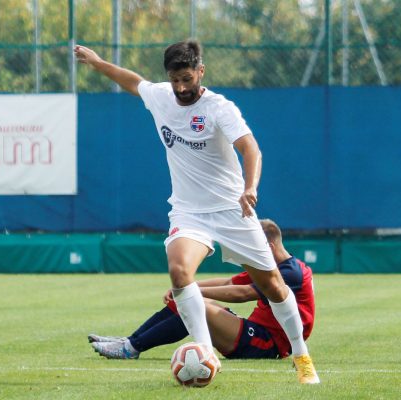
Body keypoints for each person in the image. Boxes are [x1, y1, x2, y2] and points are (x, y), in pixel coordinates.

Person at [75, 39, 319, 384]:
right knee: (179, 272)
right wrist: (98, 62)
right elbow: (131, 80)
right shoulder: (161, 96)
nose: (181, 88)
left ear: (200, 72)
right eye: (175, 80)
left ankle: (302, 357)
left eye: (187, 79)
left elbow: (251, 149)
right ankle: (205, 352)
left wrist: (250, 187)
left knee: (275, 287)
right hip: (189, 212)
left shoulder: (220, 108)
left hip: (233, 210)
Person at [90, 219, 316, 363]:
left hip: (267, 344)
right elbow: (229, 283)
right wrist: (187, 286)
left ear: (268, 248)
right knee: (184, 300)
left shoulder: (291, 272)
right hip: (255, 332)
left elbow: (242, 293)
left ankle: (130, 349)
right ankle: (129, 342)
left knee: (195, 304)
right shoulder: (272, 266)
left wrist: (194, 294)